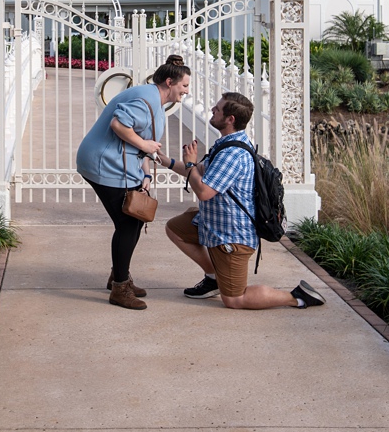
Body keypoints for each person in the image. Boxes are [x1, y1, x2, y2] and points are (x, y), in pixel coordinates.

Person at [162, 92, 325, 310]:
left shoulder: (233, 154)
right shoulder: (226, 144)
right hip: (213, 224)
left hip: (231, 237)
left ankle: (296, 296)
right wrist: (165, 161)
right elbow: (200, 171)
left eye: (218, 109)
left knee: (235, 300)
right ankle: (213, 278)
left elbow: (203, 191)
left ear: (230, 119)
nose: (212, 109)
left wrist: (190, 164)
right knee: (176, 229)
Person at [77, 54, 190, 310]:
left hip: (118, 162)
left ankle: (120, 275)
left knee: (132, 222)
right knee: (128, 223)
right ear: (169, 82)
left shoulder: (154, 100)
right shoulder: (145, 99)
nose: (186, 91)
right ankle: (119, 287)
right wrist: (144, 145)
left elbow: (143, 144)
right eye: (184, 86)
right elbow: (120, 125)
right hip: (103, 162)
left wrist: (146, 174)